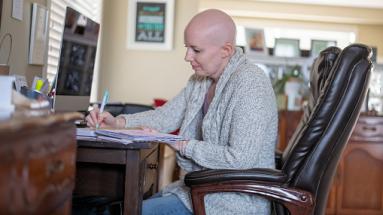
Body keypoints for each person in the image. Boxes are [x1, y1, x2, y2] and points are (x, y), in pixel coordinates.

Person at [86, 9, 278, 215]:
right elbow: (166, 116)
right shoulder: (200, 81)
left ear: (226, 50)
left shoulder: (251, 83)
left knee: (125, 211)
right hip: (200, 190)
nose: (188, 57)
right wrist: (119, 123)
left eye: (196, 50)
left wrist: (184, 145)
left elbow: (240, 159)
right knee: (116, 205)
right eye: (188, 48)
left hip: (235, 202)